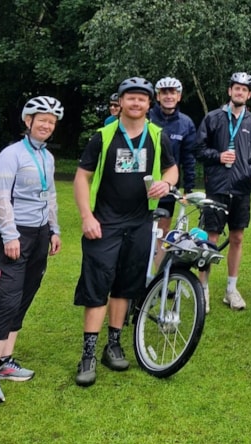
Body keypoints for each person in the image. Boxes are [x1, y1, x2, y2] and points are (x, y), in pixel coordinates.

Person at [73, 77, 178, 387]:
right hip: (104, 222)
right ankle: (88, 353)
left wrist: (168, 183)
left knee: (125, 285)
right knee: (98, 284)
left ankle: (113, 345)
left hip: (141, 222)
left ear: (150, 104)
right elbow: (81, 177)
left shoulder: (158, 136)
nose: (136, 103)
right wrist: (86, 216)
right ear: (120, 102)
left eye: (142, 99)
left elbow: (172, 168)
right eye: (130, 98)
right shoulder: (103, 136)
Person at [0, 96, 64, 406]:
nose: (46, 125)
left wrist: (54, 229)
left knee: (24, 296)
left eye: (52, 122)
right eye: (41, 119)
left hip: (40, 235)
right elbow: (2, 198)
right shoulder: (10, 155)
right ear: (28, 121)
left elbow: (50, 195)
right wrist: (9, 235)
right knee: (7, 300)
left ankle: (5, 360)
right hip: (12, 236)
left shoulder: (48, 158)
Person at [195, 72, 251, 311]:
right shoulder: (213, 118)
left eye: (244, 90)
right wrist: (218, 156)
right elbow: (199, 149)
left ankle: (231, 289)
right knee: (211, 239)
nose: (240, 92)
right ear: (229, 91)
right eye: (236, 88)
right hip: (216, 187)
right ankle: (202, 289)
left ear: (249, 95)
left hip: (242, 189)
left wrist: (250, 170)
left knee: (237, 238)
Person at [150, 77, 197, 267]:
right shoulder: (147, 118)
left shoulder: (186, 123)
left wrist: (189, 188)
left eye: (173, 92)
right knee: (141, 231)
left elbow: (188, 158)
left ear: (179, 96)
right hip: (143, 185)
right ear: (158, 96)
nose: (169, 96)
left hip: (168, 187)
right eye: (165, 93)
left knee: (163, 230)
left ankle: (157, 277)